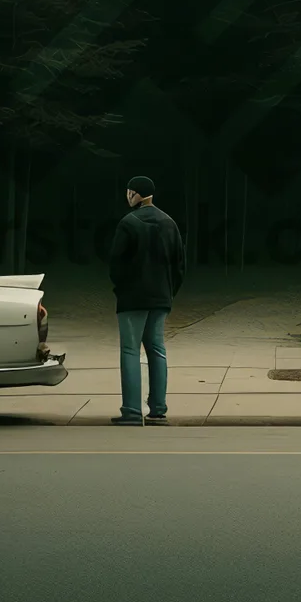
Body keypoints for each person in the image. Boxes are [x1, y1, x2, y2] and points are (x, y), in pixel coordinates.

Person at [108, 175, 186, 426]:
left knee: (130, 351)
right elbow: (179, 265)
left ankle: (131, 411)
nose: (126, 195)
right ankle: (158, 410)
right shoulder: (169, 223)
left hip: (133, 297)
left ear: (135, 194)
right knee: (157, 350)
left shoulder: (128, 223)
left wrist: (121, 289)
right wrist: (169, 291)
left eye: (128, 191)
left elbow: (116, 264)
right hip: (161, 296)